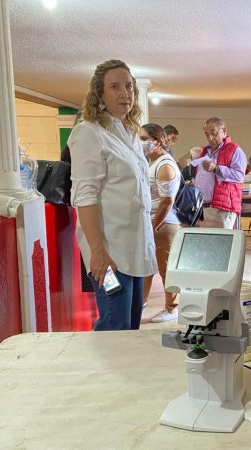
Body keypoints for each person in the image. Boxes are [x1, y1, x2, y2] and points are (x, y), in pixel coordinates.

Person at [68, 59, 157, 331]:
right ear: (100, 93)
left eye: (129, 87)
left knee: (131, 325)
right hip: (108, 256)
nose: (125, 93)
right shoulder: (88, 133)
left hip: (135, 250)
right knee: (113, 325)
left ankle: (127, 373)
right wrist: (97, 252)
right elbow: (85, 196)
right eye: (115, 87)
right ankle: (103, 374)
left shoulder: (128, 132)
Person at [141, 123, 182, 323]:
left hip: (163, 224)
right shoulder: (151, 161)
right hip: (151, 222)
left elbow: (167, 201)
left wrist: (153, 225)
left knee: (167, 269)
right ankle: (141, 301)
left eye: (143, 139)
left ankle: (172, 308)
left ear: (156, 141)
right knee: (147, 266)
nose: (140, 143)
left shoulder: (165, 164)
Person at [189, 117, 247, 229]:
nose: (210, 138)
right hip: (203, 207)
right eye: (207, 135)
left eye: (213, 133)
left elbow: (239, 176)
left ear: (224, 131)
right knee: (206, 244)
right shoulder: (205, 151)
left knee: (221, 244)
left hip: (222, 209)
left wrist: (216, 169)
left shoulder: (234, 150)